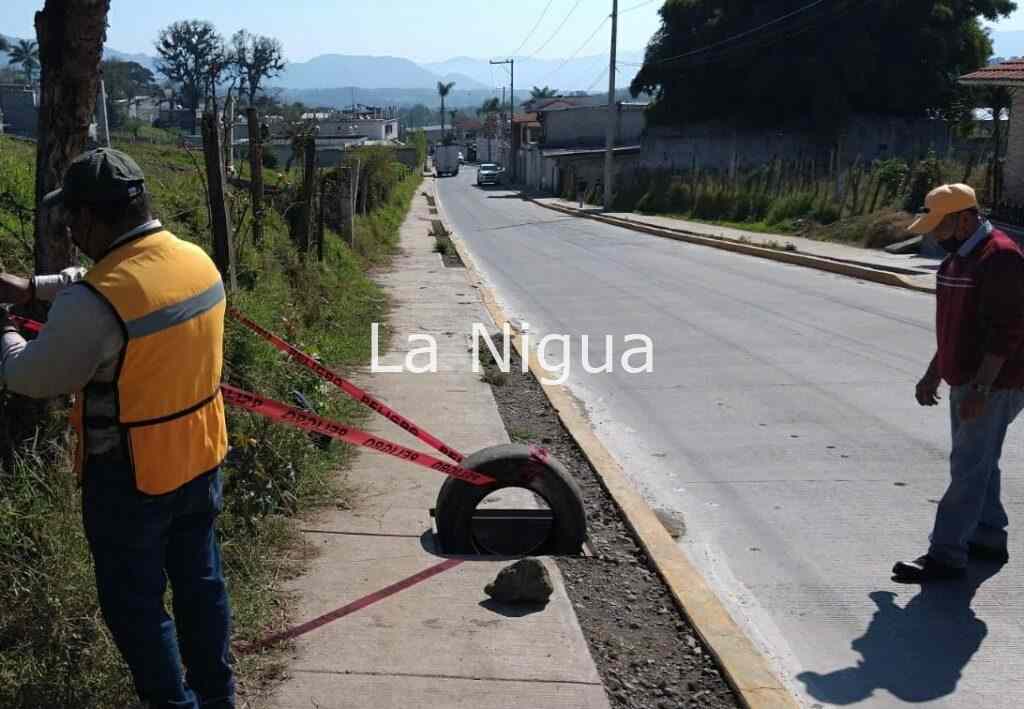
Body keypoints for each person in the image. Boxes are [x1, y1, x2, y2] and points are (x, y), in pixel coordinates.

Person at [0, 148, 235, 708]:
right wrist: (32, 288)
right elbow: (114, 285)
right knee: (201, 586)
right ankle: (217, 696)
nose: (71, 231)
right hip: (200, 455)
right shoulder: (194, 261)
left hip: (130, 477)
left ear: (88, 218)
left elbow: (31, 375)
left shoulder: (94, 304)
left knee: (136, 607)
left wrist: (4, 331)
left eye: (72, 218)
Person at [894, 183, 1024, 583]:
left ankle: (947, 555)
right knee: (979, 460)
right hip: (967, 377)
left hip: (994, 381)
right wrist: (934, 371)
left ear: (965, 219)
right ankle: (988, 537)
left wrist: (982, 389)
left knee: (968, 465)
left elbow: (1007, 331)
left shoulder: (999, 258)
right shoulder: (956, 260)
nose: (935, 236)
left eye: (940, 226)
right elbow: (955, 328)